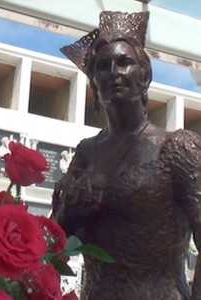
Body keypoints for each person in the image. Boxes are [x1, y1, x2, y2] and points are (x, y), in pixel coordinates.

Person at [52, 11, 201, 300]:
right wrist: (69, 210)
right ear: (93, 82)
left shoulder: (178, 148)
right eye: (103, 66)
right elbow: (57, 241)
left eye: (124, 62)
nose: (114, 72)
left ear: (144, 75)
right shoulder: (86, 153)